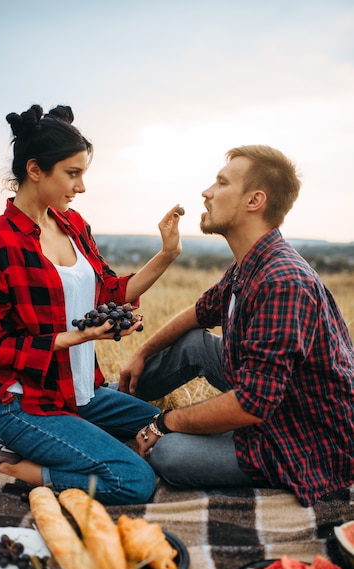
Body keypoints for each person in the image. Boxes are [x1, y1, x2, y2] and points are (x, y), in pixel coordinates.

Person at [0, 104, 184, 505]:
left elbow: (110, 292)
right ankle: (15, 467)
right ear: (35, 170)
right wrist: (73, 337)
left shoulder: (73, 224)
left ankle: (68, 447)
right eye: (72, 174)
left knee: (171, 428)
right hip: (22, 404)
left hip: (80, 394)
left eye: (82, 174)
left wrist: (167, 254)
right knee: (134, 480)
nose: (80, 187)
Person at [119, 144, 354, 508]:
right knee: (194, 342)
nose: (207, 192)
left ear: (254, 200)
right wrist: (141, 352)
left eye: (222, 183)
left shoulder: (283, 281)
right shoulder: (251, 262)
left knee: (170, 454)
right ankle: (112, 406)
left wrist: (166, 423)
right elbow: (198, 312)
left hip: (300, 435)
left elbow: (252, 405)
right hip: (273, 399)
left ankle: (149, 427)